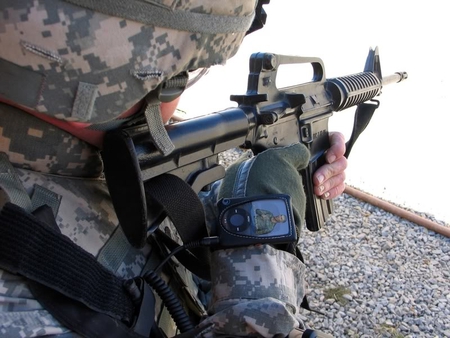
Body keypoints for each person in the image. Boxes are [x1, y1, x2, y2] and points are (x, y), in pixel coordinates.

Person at [0, 0, 347, 337]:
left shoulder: (76, 166)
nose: (177, 94)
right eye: (181, 75)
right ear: (95, 86)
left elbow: (166, 242)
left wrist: (245, 194)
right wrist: (263, 270)